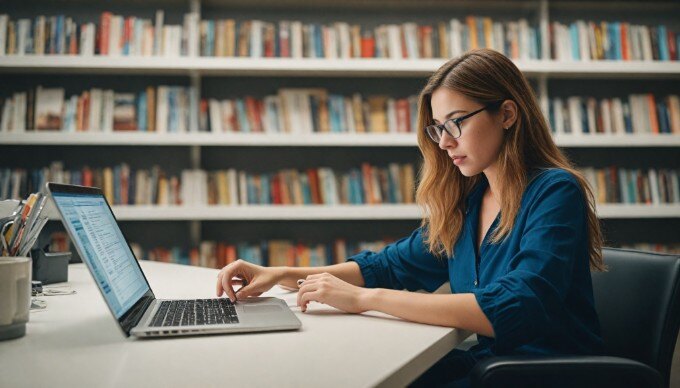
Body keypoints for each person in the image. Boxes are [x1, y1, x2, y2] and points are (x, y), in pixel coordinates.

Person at [215, 48, 605, 386]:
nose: (446, 141)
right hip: (494, 366)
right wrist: (280, 274)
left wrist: (365, 300)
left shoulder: (555, 191)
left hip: (544, 375)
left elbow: (518, 307)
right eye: (438, 129)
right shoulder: (471, 201)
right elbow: (387, 266)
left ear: (506, 114)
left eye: (457, 122)